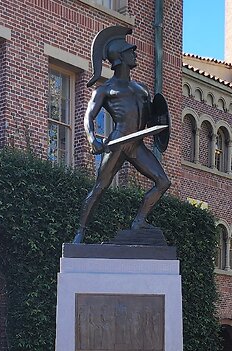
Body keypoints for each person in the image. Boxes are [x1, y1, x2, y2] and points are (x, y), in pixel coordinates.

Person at [72, 29, 171, 244]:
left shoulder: (142, 88)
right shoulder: (105, 90)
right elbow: (89, 117)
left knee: (163, 182)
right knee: (99, 188)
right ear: (119, 58)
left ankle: (139, 221)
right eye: (129, 52)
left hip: (137, 144)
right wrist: (92, 139)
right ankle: (80, 231)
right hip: (118, 143)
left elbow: (153, 116)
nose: (134, 54)